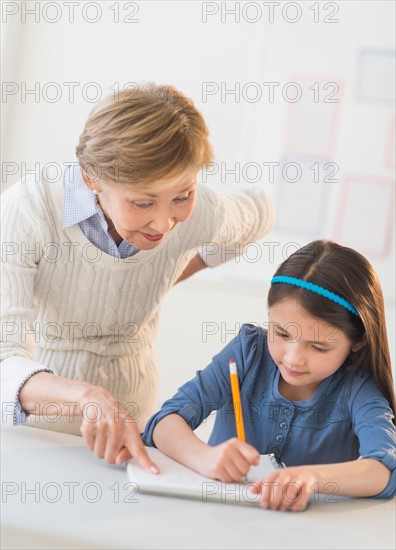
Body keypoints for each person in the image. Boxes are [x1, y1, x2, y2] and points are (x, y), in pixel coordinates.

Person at [0, 83, 274, 473]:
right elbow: (4, 358)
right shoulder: (28, 209)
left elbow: (258, 214)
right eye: (143, 202)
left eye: (182, 195)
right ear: (93, 179)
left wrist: (170, 274)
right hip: (35, 427)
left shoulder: (201, 213)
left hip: (132, 421)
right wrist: (87, 398)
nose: (164, 223)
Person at [143, 240, 396, 510]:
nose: (292, 358)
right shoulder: (248, 351)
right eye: (281, 333)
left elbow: (384, 469)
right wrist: (204, 458)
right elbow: (164, 422)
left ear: (357, 341)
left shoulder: (358, 388)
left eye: (318, 346)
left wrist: (311, 477)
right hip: (216, 518)